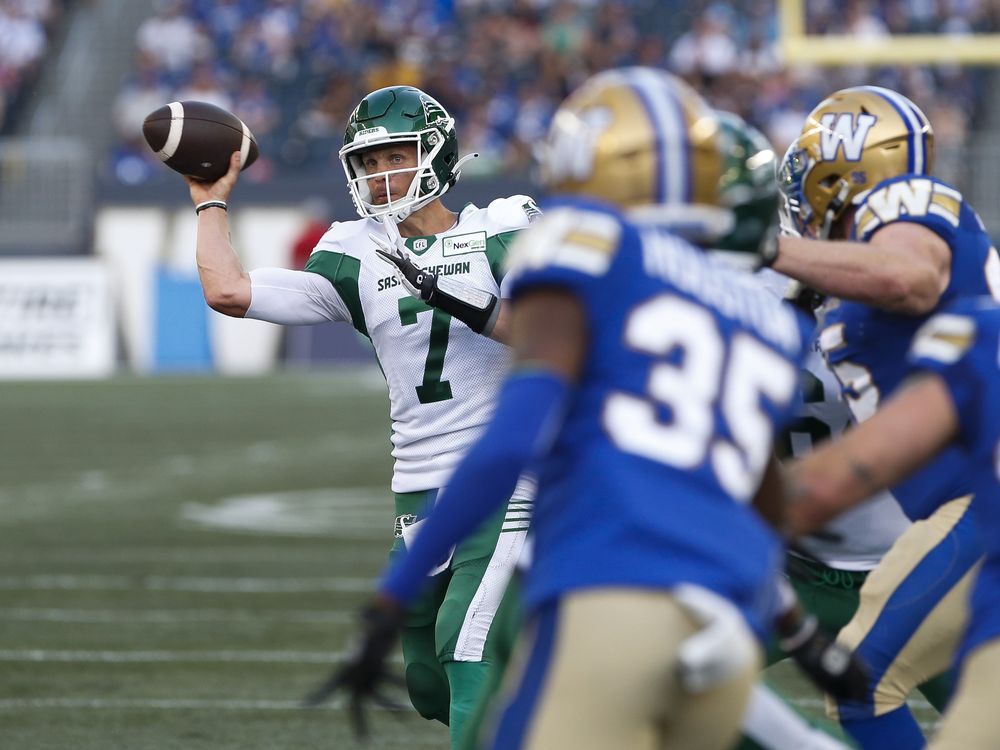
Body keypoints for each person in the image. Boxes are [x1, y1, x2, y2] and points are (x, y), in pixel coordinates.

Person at [313, 67, 815, 750]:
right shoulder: (771, 320)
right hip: (728, 611)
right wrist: (805, 635)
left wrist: (393, 592)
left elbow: (513, 436)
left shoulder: (584, 252)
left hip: (613, 599)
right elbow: (760, 497)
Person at [182, 84, 541, 748]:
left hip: (507, 480)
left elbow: (553, 338)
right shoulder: (353, 249)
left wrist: (460, 298)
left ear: (436, 154)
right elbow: (228, 290)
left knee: (468, 650)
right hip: (419, 490)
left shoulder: (502, 227)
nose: (380, 175)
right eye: (368, 162)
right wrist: (209, 198)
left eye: (394, 156)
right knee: (428, 681)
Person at [769, 85, 1000, 749]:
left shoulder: (907, 204)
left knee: (863, 678)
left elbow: (909, 277)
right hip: (960, 507)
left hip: (979, 504)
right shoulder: (844, 287)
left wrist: (768, 248)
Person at [786, 296, 1000, 750]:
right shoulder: (739, 292)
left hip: (929, 563)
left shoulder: (959, 300)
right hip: (796, 568)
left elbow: (910, 277)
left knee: (864, 686)